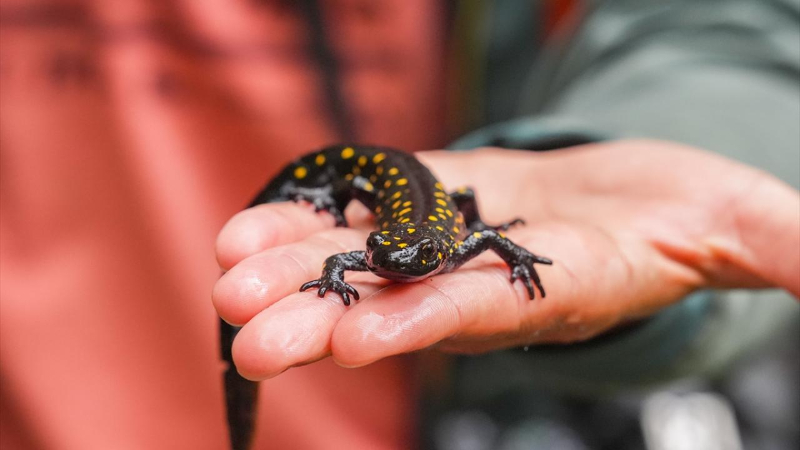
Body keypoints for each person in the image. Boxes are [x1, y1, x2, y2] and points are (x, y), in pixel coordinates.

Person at [1, 1, 798, 449]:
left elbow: (483, 234)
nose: (388, 264)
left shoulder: (448, 242)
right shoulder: (384, 246)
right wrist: (332, 246)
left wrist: (521, 252)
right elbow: (361, 242)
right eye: (382, 255)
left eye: (401, 256)